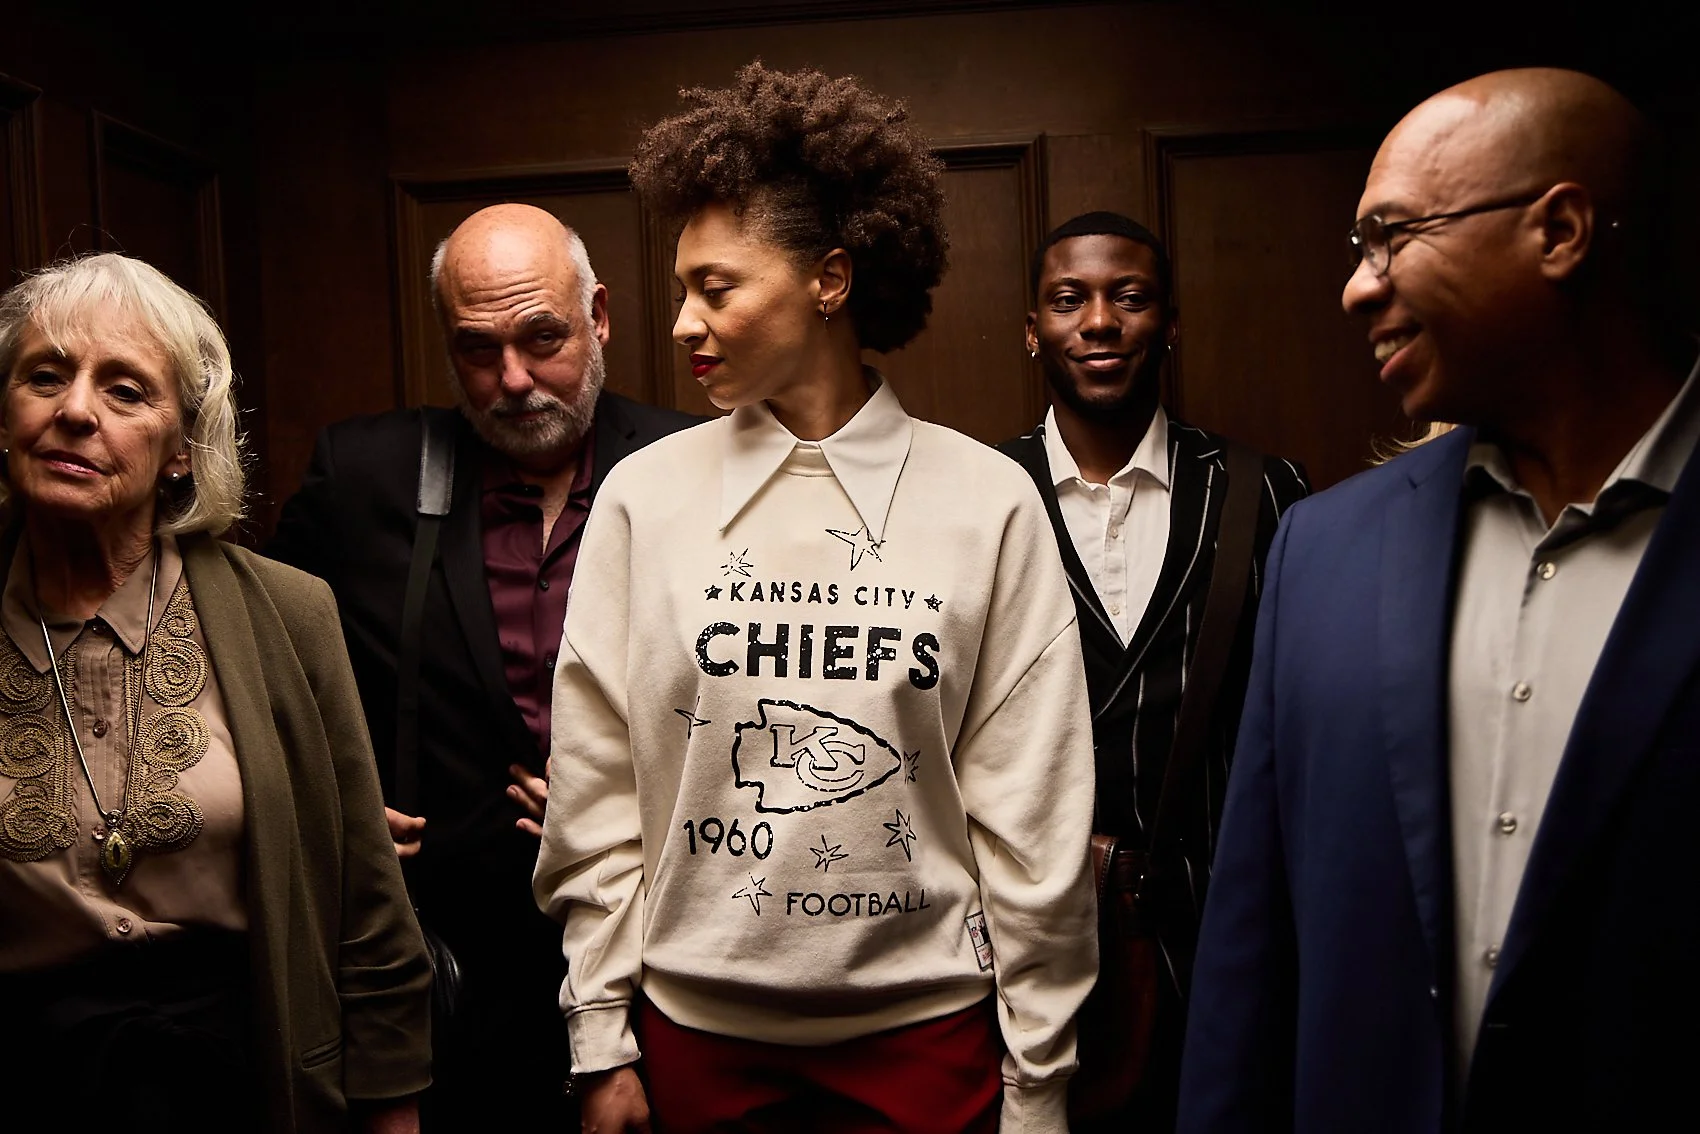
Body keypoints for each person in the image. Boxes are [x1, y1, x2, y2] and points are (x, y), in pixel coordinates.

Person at [533, 62, 1097, 1134]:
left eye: (719, 286)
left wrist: (1037, 1086)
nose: (684, 324)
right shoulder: (643, 502)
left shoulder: (988, 504)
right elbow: (595, 796)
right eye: (683, 286)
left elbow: (1034, 823)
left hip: (927, 1050)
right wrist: (598, 1036)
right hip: (694, 1048)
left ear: (829, 279)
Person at [1178, 68, 1700, 1133]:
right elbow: (1249, 952)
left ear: (1557, 230)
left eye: (1390, 236)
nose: (1355, 288)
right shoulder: (1322, 551)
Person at [267, 203, 698, 1125]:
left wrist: (642, 804)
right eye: (476, 349)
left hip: (661, 956)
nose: (512, 380)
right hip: (447, 976)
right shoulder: (365, 474)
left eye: (543, 338)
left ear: (601, 316)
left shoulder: (696, 467)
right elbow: (253, 667)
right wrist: (322, 812)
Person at [0, 252, 430, 1133]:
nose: (75, 410)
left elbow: (367, 913)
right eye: (46, 375)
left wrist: (393, 1113)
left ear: (181, 452)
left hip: (243, 1079)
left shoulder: (288, 613)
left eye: (125, 391)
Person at [997, 211, 1307, 1130]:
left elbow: (1304, 729)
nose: (1099, 321)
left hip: (1228, 942)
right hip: (1027, 952)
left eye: (1129, 297)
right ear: (1032, 329)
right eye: (1068, 300)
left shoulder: (1266, 493)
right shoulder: (973, 497)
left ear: (1169, 322)